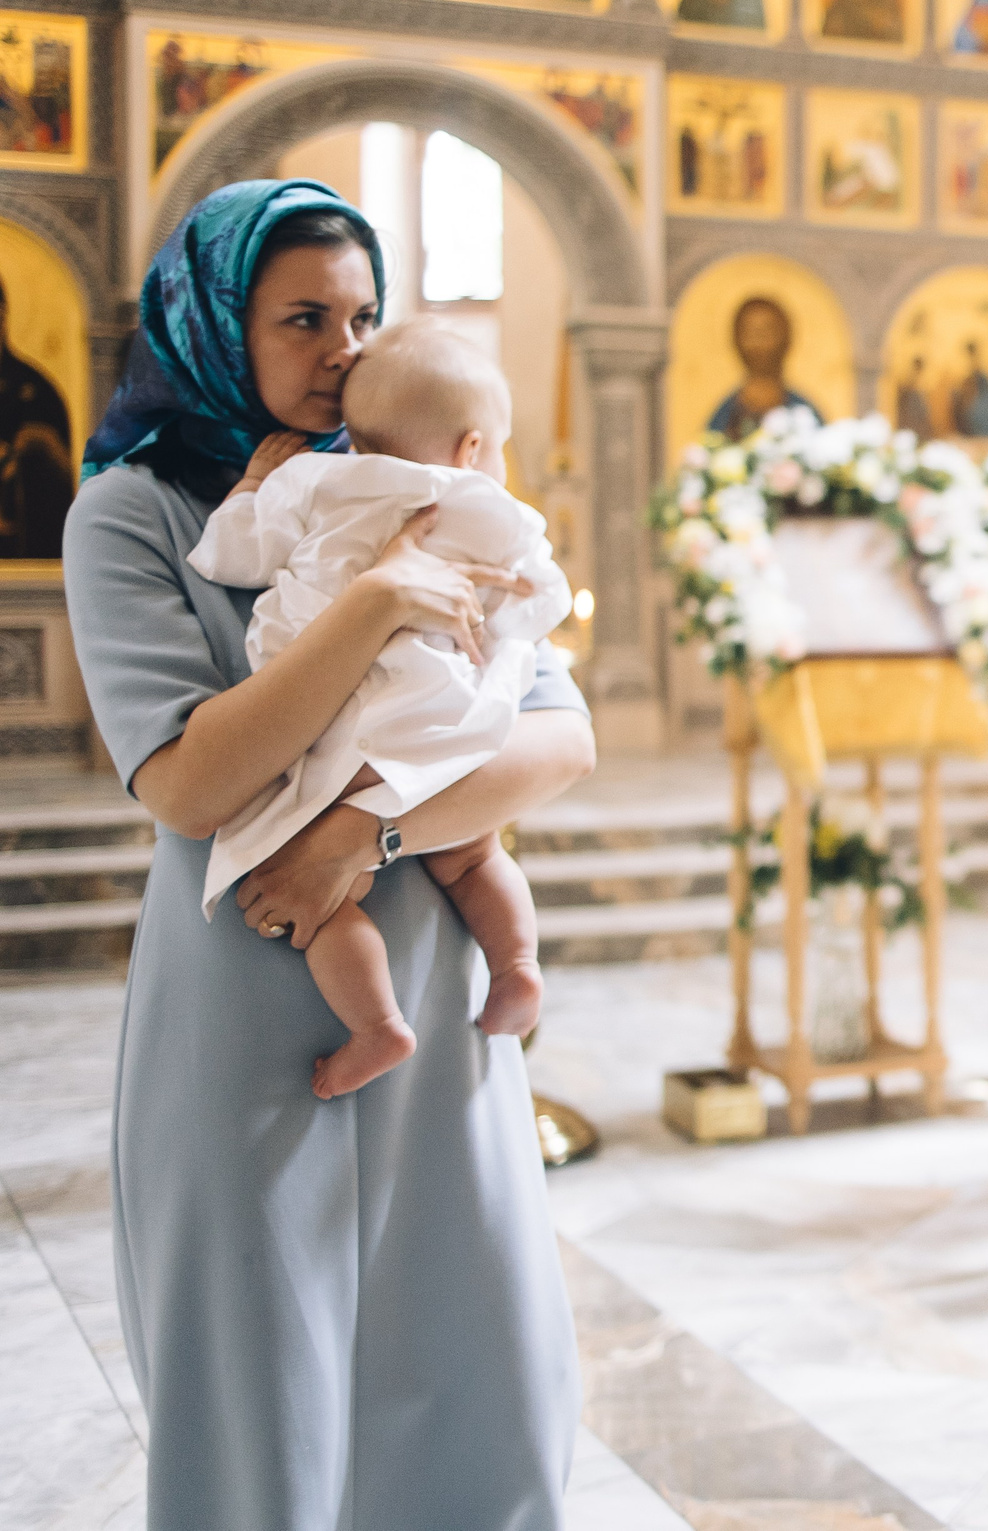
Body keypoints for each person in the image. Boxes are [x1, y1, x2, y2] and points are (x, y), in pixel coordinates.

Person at [62, 179, 594, 1528]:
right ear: (211, 320)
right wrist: (367, 607)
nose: (342, 352)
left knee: (476, 1360)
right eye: (303, 318)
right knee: (262, 1383)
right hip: (246, 973)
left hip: (424, 969)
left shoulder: (424, 477)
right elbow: (190, 780)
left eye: (362, 316)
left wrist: (372, 825)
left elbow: (559, 740)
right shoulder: (140, 514)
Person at [187, 320, 571, 1098]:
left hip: (340, 723)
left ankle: (376, 1026)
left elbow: (226, 554)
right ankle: (517, 968)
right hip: (448, 725)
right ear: (471, 448)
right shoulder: (491, 507)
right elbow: (543, 595)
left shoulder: (320, 483)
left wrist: (252, 485)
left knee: (323, 897)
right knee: (474, 854)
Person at [0, 266, 74, 559]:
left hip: (20, 546)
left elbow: (55, 470)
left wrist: (23, 451)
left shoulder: (36, 390)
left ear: (3, 316)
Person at [705, 296, 819, 440]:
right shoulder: (725, 415)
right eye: (750, 333)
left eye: (766, 332)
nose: (758, 343)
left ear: (785, 338)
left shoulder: (802, 413)